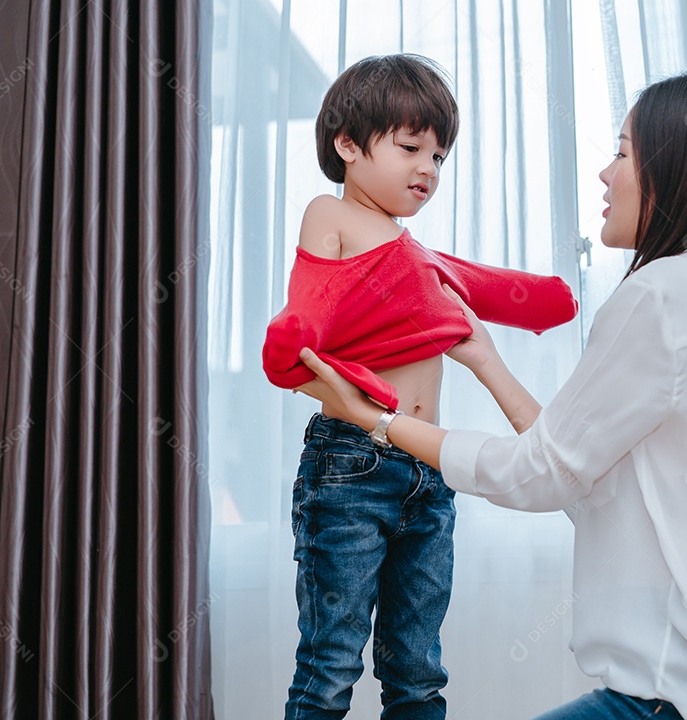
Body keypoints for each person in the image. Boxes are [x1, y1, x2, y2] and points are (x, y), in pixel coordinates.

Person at [295, 73, 687, 720]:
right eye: (410, 148)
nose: (603, 173)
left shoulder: (660, 299)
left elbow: (541, 474)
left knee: (410, 673)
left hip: (670, 700)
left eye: (622, 153)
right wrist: (485, 359)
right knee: (347, 667)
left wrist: (379, 423)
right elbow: (584, 478)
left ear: (681, 170)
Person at [262, 53, 578, 720]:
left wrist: (535, 304)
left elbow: (496, 291)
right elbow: (307, 318)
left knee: (418, 670)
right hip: (350, 463)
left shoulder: (419, 257)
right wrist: (300, 344)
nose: (427, 170)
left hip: (428, 467)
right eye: (410, 148)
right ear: (348, 144)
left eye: (438, 156)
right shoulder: (332, 213)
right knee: (330, 666)